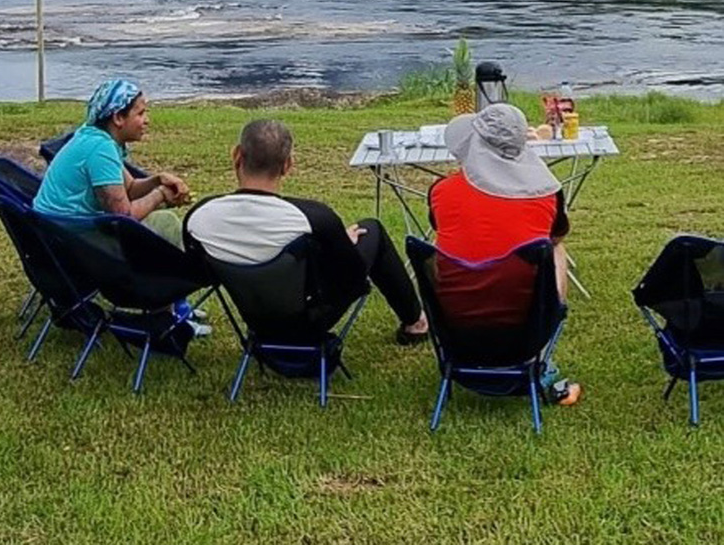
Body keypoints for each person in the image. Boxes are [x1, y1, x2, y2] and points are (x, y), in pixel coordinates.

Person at [183, 118, 428, 344]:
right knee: (371, 230)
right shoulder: (313, 217)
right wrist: (343, 244)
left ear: (236, 155)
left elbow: (204, 274)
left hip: (255, 318)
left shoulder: (199, 217)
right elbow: (352, 279)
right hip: (310, 317)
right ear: (287, 165)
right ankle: (415, 323)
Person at [428, 102, 580, 404]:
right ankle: (541, 353)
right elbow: (557, 235)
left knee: (444, 240)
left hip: (454, 326)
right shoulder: (547, 193)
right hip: (526, 329)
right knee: (554, 246)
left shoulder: (442, 191)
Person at [34, 78, 189, 246]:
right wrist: (159, 195)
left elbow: (129, 189)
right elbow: (123, 217)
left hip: (57, 230)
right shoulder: (100, 149)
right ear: (118, 118)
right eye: (140, 113)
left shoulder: (93, 136)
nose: (147, 120)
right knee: (166, 222)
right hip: (72, 238)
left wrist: (158, 179)